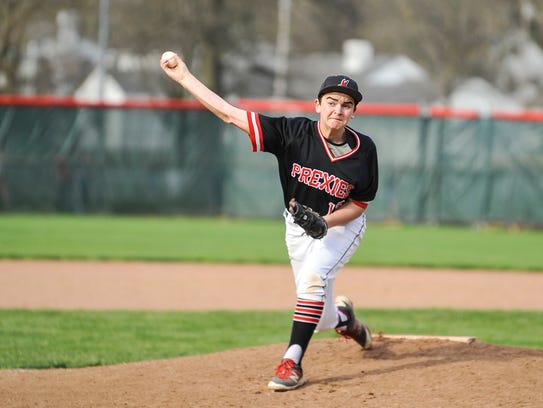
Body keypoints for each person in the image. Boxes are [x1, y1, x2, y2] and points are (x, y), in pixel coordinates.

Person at [160, 52, 378, 391]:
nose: (338, 110)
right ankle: (345, 321)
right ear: (317, 104)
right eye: (331, 101)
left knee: (311, 280)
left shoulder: (364, 150)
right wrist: (185, 77)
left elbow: (360, 203)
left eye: (346, 105)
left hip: (341, 227)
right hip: (297, 228)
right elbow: (230, 115)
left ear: (353, 111)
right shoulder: (291, 132)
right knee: (319, 317)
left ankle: (292, 362)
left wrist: (326, 220)